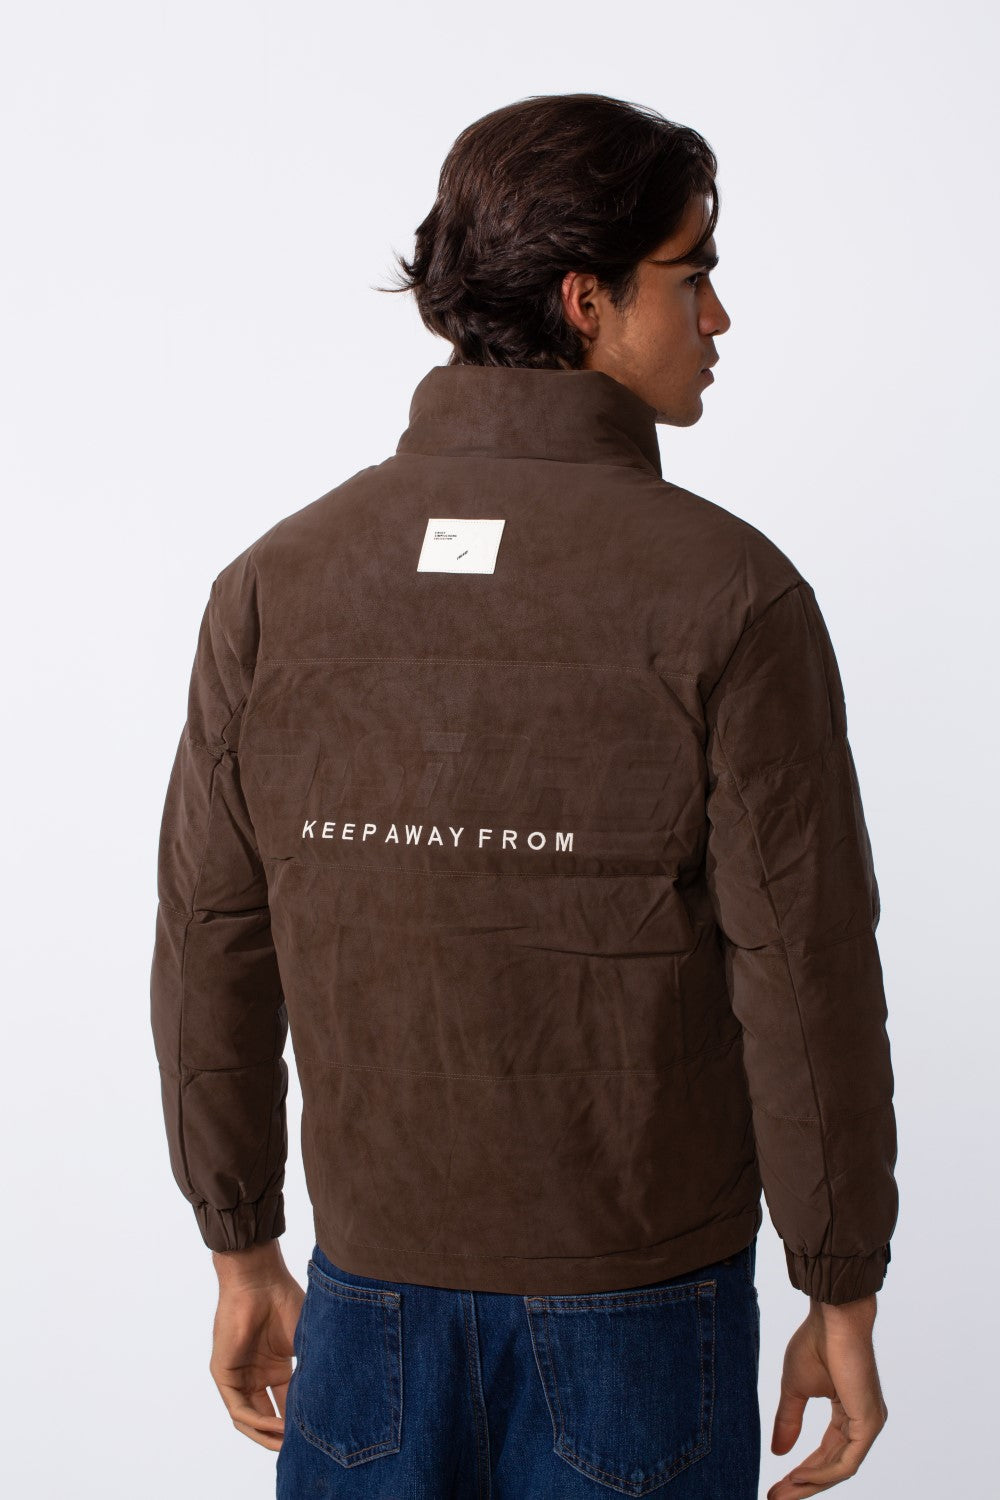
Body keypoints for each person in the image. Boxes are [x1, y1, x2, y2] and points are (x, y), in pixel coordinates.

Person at [150, 93, 898, 1500]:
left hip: (364, 1305)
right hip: (640, 1320)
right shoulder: (730, 595)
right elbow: (804, 976)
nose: (718, 316)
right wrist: (839, 1286)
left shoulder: (273, 587)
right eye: (692, 273)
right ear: (584, 298)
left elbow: (209, 942)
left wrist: (240, 1248)